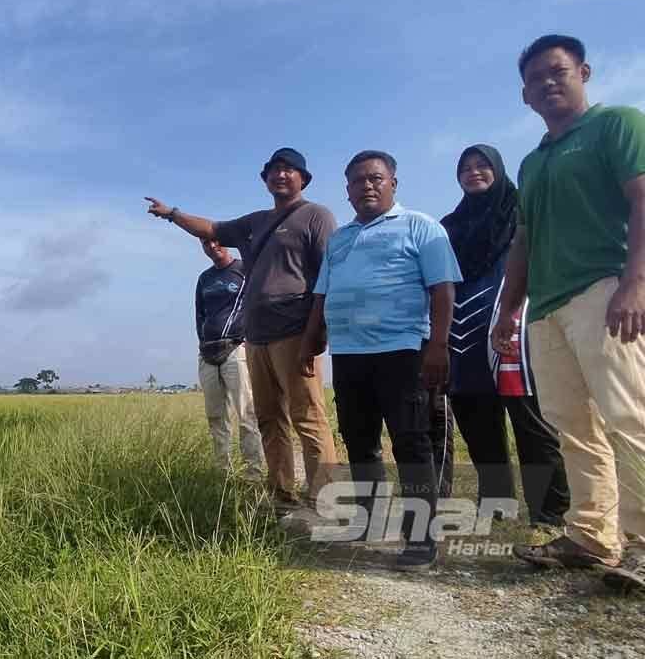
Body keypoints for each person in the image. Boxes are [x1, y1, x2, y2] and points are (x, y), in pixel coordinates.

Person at [492, 34, 645, 592]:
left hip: (607, 289)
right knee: (571, 426)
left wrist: (636, 282)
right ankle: (592, 536)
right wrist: (508, 311)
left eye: (557, 72)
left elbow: (642, 198)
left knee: (629, 416)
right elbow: (523, 241)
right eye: (535, 80)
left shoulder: (618, 124)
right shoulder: (533, 163)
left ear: (584, 71)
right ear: (525, 96)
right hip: (547, 308)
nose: (547, 83)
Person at [145, 147, 339, 512]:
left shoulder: (317, 216)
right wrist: (172, 214)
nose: (281, 175)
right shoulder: (255, 222)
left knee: (308, 417)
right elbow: (212, 229)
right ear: (265, 179)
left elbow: (329, 277)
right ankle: (282, 495)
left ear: (303, 178)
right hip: (257, 337)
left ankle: (322, 499)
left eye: (289, 170)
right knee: (268, 418)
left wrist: (317, 334)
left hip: (296, 332)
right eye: (274, 171)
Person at [304, 150, 462, 571]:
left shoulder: (421, 227)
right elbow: (322, 294)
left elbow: (442, 290)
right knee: (359, 441)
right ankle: (370, 519)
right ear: (348, 191)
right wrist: (310, 340)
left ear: (393, 182)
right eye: (357, 181)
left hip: (403, 350)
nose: (367, 186)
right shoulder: (340, 239)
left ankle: (420, 538)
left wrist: (439, 346)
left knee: (411, 442)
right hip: (349, 354)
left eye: (375, 178)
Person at [441, 144, 570, 527]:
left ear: (498, 169)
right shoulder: (450, 225)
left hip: (513, 323)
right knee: (476, 421)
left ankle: (550, 512)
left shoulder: (519, 211)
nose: (474, 172)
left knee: (529, 420)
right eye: (466, 167)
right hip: (463, 327)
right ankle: (496, 501)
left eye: (482, 165)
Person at [194, 237, 264, 479]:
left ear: (225, 242)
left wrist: (250, 336)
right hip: (208, 352)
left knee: (247, 414)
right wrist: (203, 342)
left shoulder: (246, 269)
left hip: (236, 349)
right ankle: (222, 474)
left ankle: (253, 474)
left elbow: (260, 302)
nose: (212, 247)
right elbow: (199, 314)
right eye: (205, 244)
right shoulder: (204, 278)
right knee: (216, 417)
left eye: (215, 241)